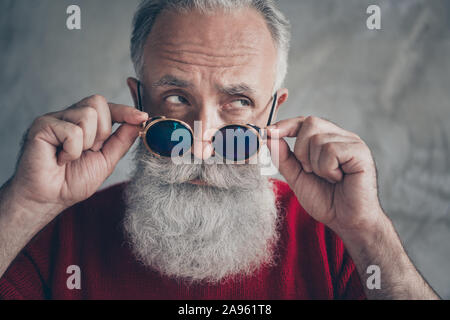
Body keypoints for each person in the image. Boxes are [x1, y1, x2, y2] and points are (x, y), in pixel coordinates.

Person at [0, 0, 439, 299]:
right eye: (176, 97)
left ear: (272, 113)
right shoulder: (56, 234)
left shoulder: (340, 239)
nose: (203, 139)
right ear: (138, 103)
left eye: (239, 103)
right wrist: (24, 205)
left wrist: (367, 231)